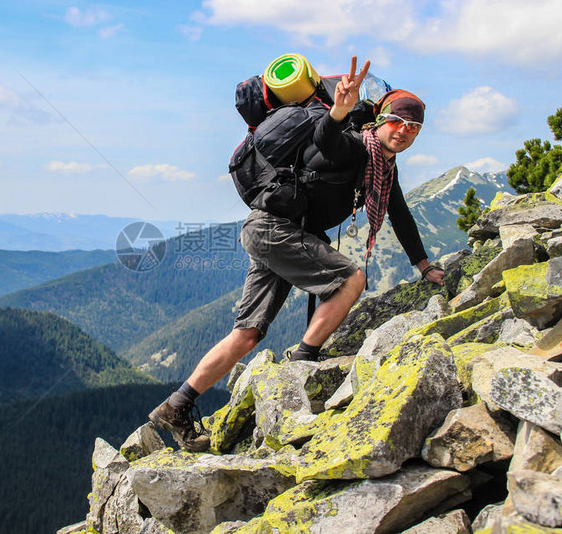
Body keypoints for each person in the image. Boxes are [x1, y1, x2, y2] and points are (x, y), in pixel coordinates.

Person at [149, 56, 445, 452]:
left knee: (247, 333)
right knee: (352, 279)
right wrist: (339, 111)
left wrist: (423, 266)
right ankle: (302, 364)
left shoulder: (383, 168)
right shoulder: (357, 147)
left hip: (275, 229)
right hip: (276, 231)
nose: (404, 132)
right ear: (380, 120)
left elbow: (401, 214)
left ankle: (176, 405)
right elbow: (327, 141)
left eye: (414, 127)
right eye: (397, 122)